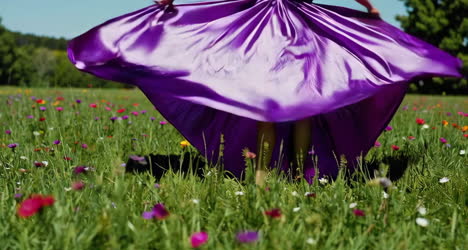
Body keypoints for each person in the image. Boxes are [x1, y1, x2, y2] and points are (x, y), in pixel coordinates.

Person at [68, 0, 462, 186]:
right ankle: (274, 174)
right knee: (283, 104)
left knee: (296, 102)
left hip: (291, 22)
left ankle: (280, 173)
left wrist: (366, 6)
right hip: (268, 24)